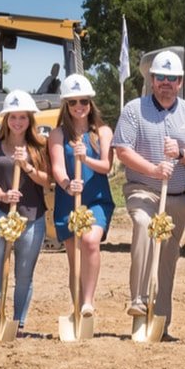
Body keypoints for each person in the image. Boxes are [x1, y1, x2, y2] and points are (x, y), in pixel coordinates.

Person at [114, 51, 185, 336]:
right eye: (160, 77)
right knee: (143, 225)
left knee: (167, 258)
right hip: (144, 190)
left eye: (172, 78)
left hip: (178, 198)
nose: (165, 82)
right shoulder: (133, 110)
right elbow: (123, 150)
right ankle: (139, 300)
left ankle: (160, 323)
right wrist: (154, 170)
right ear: (152, 80)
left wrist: (180, 153)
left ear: (180, 82)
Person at [0, 90, 51, 335]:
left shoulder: (40, 147)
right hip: (2, 211)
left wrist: (27, 166)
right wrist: (3, 195)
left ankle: (19, 321)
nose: (18, 122)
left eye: (23, 117)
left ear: (30, 120)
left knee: (24, 272)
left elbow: (46, 181)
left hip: (33, 215)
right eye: (13, 117)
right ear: (6, 119)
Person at [48, 74, 115, 319]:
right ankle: (77, 308)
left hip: (96, 199)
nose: (79, 107)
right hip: (69, 200)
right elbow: (57, 168)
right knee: (74, 256)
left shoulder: (103, 132)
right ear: (66, 105)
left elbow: (107, 166)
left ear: (90, 104)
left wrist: (85, 158)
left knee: (89, 242)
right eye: (73, 102)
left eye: (84, 102)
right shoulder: (57, 134)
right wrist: (67, 184)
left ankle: (88, 302)